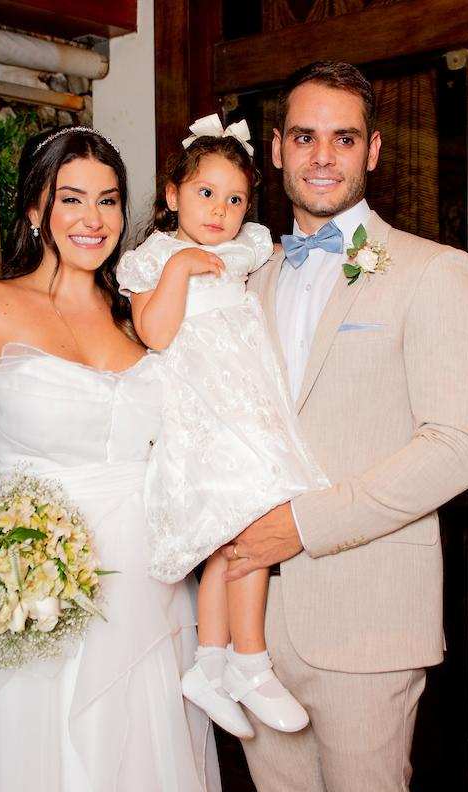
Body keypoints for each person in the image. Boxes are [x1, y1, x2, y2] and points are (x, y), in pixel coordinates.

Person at [0, 126, 221, 792]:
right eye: (72, 199)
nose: (94, 219)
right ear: (36, 210)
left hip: (151, 592)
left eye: (110, 200)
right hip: (39, 588)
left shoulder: (139, 316)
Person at [222, 61, 468, 792]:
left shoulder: (433, 272)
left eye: (343, 139)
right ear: (275, 148)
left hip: (369, 622)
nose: (322, 156)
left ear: (372, 152)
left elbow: (457, 446)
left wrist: (303, 526)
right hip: (252, 629)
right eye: (305, 137)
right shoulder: (242, 281)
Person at [115, 115, 326, 740]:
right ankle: (250, 660)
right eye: (205, 193)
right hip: (205, 420)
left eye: (235, 199)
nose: (221, 210)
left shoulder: (243, 252)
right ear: (173, 194)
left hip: (247, 412)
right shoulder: (151, 260)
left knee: (229, 547)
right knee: (249, 534)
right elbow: (155, 333)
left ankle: (210, 662)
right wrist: (180, 268)